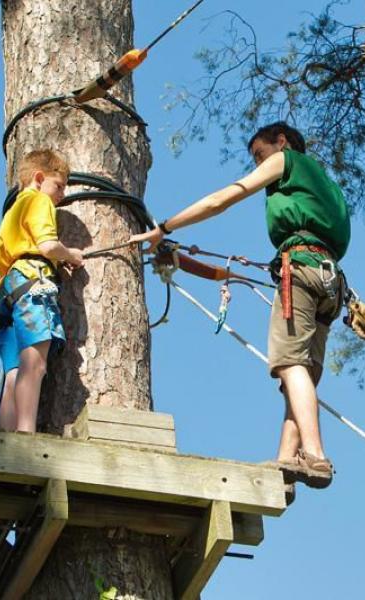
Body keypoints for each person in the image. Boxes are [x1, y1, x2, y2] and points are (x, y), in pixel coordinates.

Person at [130, 122, 350, 488]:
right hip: (331, 282)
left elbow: (224, 198)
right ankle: (286, 463)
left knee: (289, 364)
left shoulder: (288, 161)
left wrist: (165, 227)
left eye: (260, 155)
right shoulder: (327, 187)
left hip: (300, 269)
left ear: (281, 142)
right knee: (301, 376)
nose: (258, 166)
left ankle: (314, 455)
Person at [0, 149, 84, 433]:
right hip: (32, 283)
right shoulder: (39, 201)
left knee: (13, 371)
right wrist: (70, 255)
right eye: (59, 185)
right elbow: (47, 245)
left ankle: (6, 436)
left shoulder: (10, 215)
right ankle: (26, 434)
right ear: (39, 178)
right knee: (35, 362)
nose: (62, 194)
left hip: (7, 292)